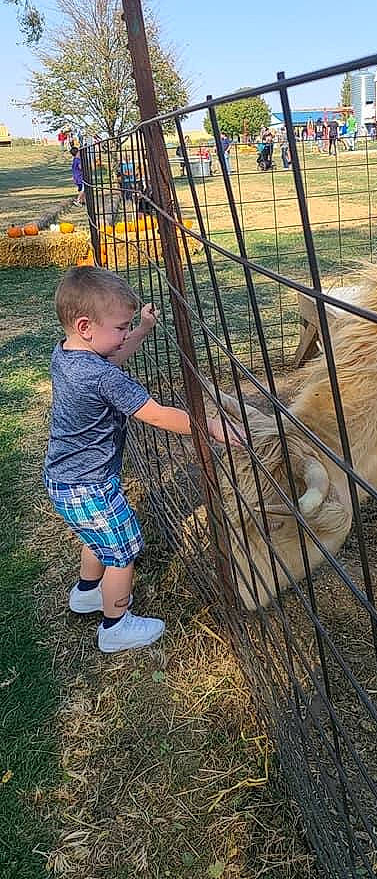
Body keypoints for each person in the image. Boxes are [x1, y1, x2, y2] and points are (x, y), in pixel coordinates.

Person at [43, 266, 240, 654]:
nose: (123, 335)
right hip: (89, 486)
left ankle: (87, 593)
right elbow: (156, 414)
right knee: (123, 550)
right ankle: (115, 626)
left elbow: (110, 358)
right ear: (85, 326)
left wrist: (142, 330)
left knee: (96, 537)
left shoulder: (66, 355)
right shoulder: (101, 377)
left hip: (66, 480)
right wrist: (210, 426)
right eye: (121, 327)